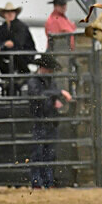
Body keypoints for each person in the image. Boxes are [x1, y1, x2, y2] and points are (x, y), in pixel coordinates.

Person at [26, 54, 72, 189]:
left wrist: (54, 99)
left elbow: (44, 95)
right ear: (43, 68)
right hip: (40, 120)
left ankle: (47, 181)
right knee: (39, 153)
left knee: (49, 154)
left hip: (49, 120)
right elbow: (38, 97)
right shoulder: (35, 81)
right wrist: (57, 94)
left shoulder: (46, 81)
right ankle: (38, 182)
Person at [0, 1, 36, 75]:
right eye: (8, 12)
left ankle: (24, 72)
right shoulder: (3, 27)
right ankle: (6, 72)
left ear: (15, 13)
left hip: (24, 54)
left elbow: (16, 43)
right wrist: (0, 47)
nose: (10, 14)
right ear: (4, 14)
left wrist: (1, 47)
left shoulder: (21, 26)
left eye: (12, 12)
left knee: (14, 54)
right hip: (11, 53)